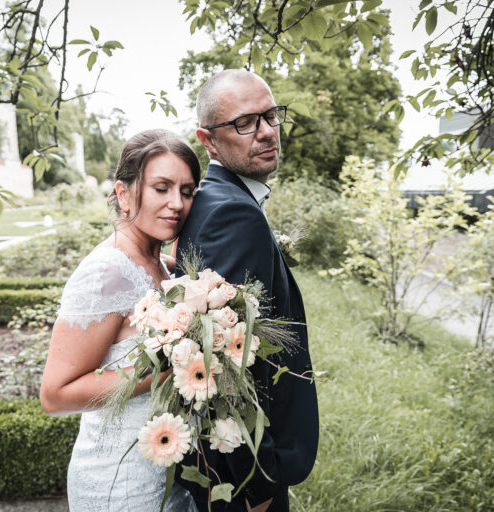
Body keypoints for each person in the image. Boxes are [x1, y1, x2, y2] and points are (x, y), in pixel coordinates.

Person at [175, 69, 319, 511]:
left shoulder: (220, 198)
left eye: (271, 115)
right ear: (209, 140)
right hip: (246, 478)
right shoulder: (231, 214)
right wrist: (256, 489)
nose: (267, 131)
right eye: (245, 123)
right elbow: (223, 368)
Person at [40, 129, 201, 512]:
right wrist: (172, 372)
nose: (176, 203)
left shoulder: (161, 265)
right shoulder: (107, 272)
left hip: (162, 469)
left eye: (187, 191)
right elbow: (55, 395)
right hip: (119, 482)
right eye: (161, 188)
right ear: (124, 193)